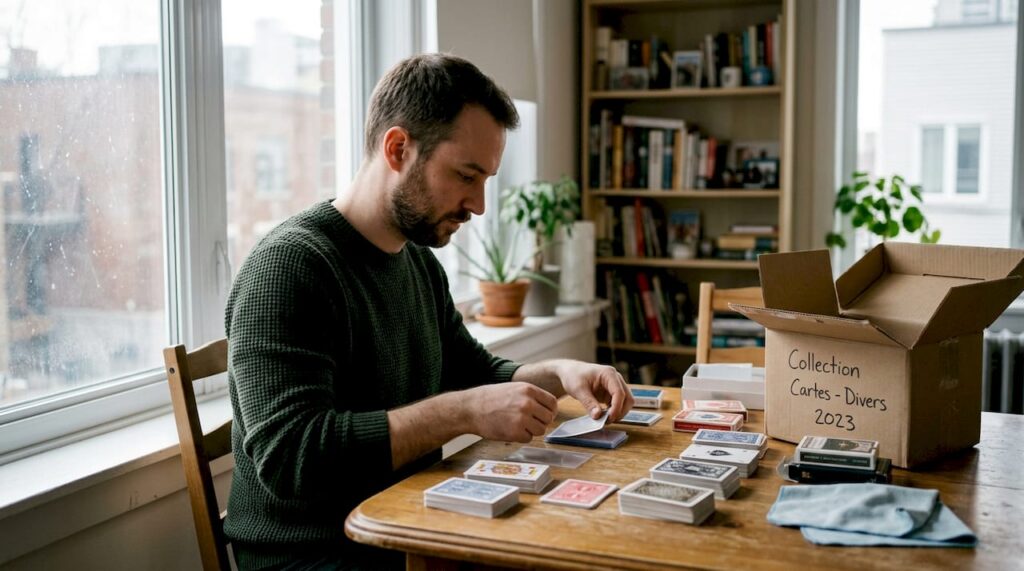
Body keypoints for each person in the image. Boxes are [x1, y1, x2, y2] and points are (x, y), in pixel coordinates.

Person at [224, 53, 633, 570]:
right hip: (316, 555)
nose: (479, 205)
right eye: (467, 176)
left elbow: (472, 370)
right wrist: (462, 412)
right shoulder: (288, 268)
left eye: (485, 180)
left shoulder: (416, 259)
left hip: (410, 524)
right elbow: (293, 459)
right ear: (398, 149)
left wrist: (558, 373)